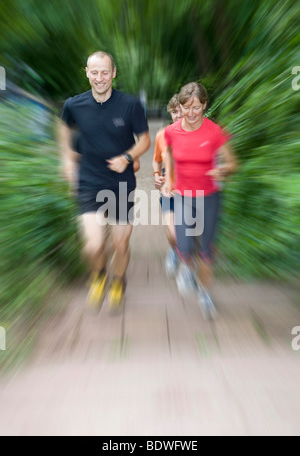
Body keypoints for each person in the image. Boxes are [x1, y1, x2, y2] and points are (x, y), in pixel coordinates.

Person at [59, 51, 151, 312]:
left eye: (105, 72)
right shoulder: (73, 105)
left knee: (120, 244)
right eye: (94, 72)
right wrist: (66, 159)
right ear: (86, 72)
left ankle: (119, 282)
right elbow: (64, 128)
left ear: (114, 73)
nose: (100, 78)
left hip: (121, 183)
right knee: (94, 245)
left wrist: (127, 156)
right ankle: (99, 276)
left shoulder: (131, 105)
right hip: (89, 182)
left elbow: (145, 140)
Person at [162, 82, 237, 319]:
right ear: (180, 106)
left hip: (210, 197)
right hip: (183, 196)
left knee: (206, 251)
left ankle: (205, 293)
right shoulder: (171, 132)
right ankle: (186, 266)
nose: (191, 112)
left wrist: (223, 171)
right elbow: (170, 159)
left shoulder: (215, 132)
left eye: (196, 107)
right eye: (186, 107)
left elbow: (233, 163)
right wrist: (167, 180)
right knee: (184, 247)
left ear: (204, 105)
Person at [152, 94, 182, 277]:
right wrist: (157, 175)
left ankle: (187, 257)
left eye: (181, 110)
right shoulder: (161, 135)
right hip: (168, 189)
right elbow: (156, 161)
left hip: (192, 189)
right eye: (174, 111)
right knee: (173, 233)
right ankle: (174, 251)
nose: (178, 115)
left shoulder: (195, 134)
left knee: (191, 230)